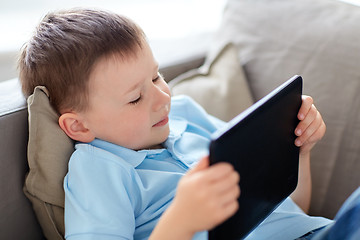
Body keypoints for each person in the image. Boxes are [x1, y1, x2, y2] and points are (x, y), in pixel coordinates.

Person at [18, 8, 359, 240]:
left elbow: (293, 211)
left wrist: (300, 150)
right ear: (78, 127)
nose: (162, 97)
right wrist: (182, 219)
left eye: (156, 76)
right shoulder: (99, 170)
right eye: (135, 97)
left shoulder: (186, 115)